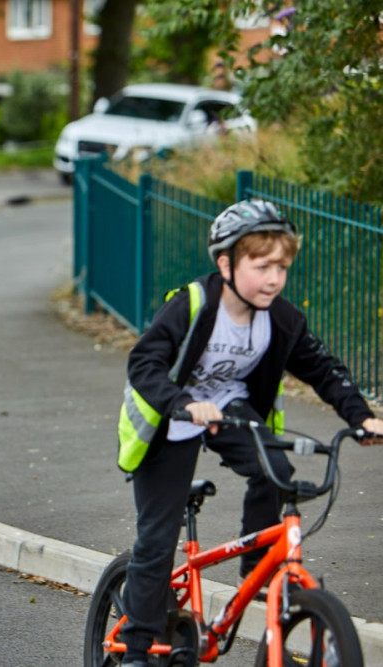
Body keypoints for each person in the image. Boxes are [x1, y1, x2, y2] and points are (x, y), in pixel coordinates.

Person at [115, 199, 383, 666]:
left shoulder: (281, 318)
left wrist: (360, 416)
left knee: (276, 471)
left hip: (228, 411)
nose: (274, 278)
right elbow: (144, 362)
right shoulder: (194, 304)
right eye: (261, 266)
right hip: (169, 418)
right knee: (157, 541)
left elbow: (323, 370)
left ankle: (256, 571)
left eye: (281, 266)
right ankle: (137, 650)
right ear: (225, 264)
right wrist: (181, 403)